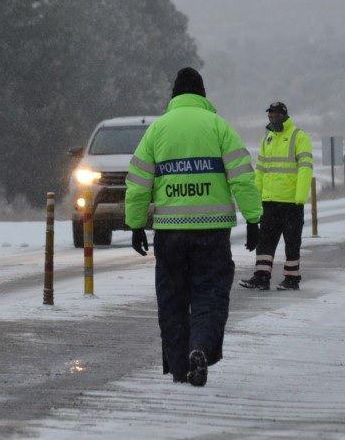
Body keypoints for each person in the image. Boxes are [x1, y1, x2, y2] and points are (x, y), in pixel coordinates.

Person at [125, 67, 262, 387]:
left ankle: (178, 367)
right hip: (212, 233)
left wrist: (135, 224)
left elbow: (138, 184)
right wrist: (254, 218)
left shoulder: (157, 131)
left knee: (172, 298)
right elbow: (242, 176)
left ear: (174, 95)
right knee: (210, 295)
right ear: (203, 95)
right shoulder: (219, 127)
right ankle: (200, 347)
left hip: (170, 232)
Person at [239, 101, 313, 291]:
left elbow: (305, 169)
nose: (272, 117)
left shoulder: (299, 137)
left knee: (292, 242)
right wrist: (257, 198)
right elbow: (261, 171)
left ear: (284, 115)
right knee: (265, 242)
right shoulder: (268, 139)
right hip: (269, 202)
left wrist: (300, 198)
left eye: (275, 114)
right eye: (269, 114)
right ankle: (262, 277)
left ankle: (292, 279)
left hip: (291, 203)